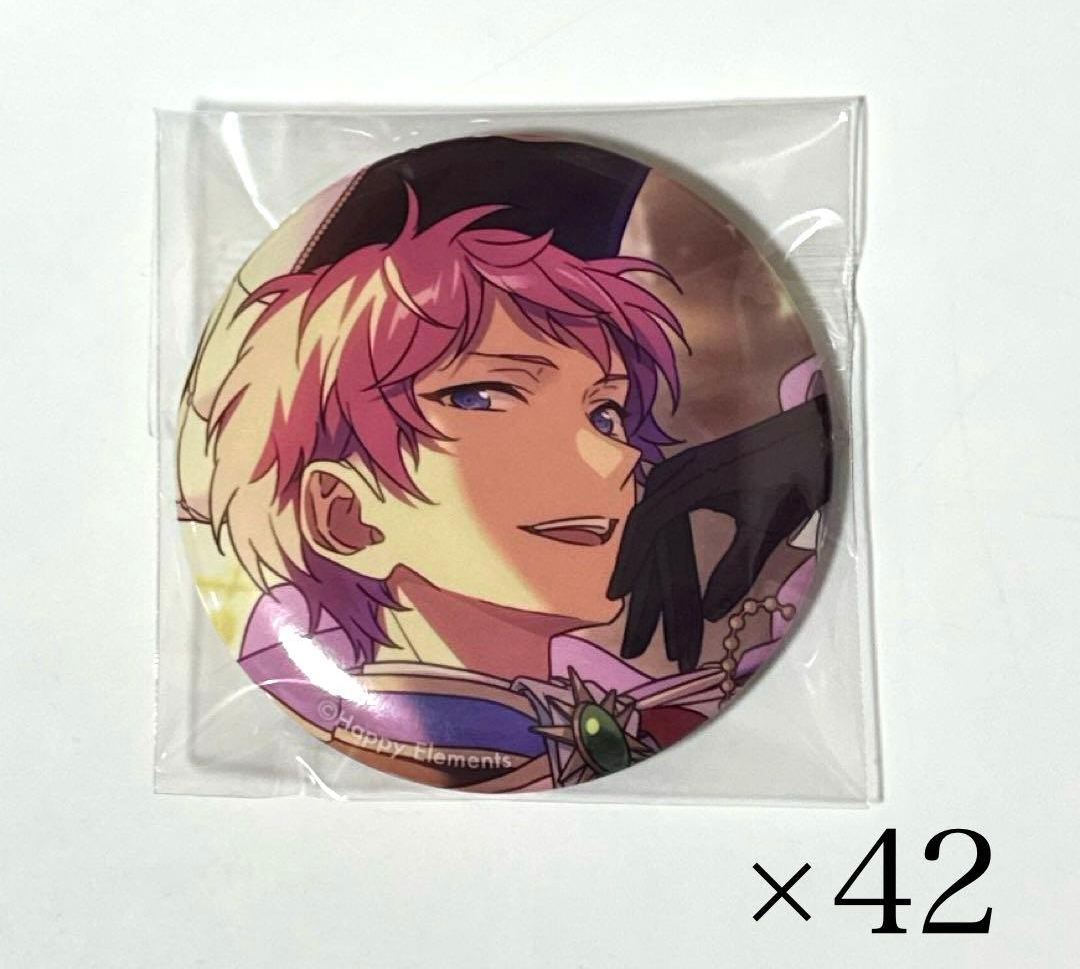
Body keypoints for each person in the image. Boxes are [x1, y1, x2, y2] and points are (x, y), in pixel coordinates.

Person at [177, 137, 830, 791]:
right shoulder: (419, 722)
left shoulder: (630, 695)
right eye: (482, 396)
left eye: (605, 411)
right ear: (345, 513)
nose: (617, 453)